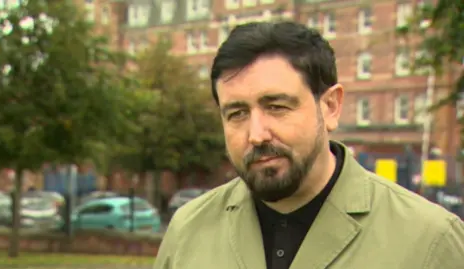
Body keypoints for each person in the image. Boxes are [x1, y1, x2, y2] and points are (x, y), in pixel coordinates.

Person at [153, 21, 464, 269]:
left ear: (330, 107)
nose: (256, 134)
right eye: (237, 114)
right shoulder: (188, 231)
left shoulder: (429, 240)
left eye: (276, 106)